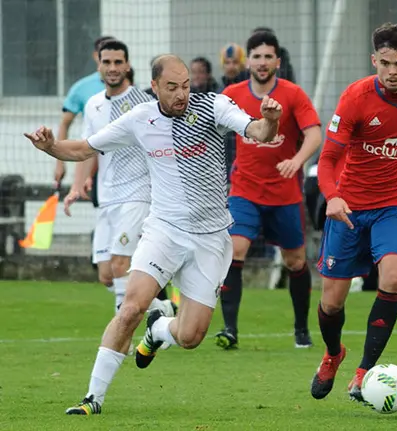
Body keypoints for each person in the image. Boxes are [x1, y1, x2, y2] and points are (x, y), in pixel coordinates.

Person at [23, 54, 283, 415]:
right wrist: (50, 146)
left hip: (210, 238)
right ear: (155, 86)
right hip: (164, 229)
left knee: (191, 337)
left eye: (186, 85)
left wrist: (269, 120)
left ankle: (159, 330)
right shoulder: (140, 118)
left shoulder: (212, 106)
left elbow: (257, 131)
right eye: (173, 87)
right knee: (130, 306)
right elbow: (83, 148)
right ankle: (92, 398)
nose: (182, 94)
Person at [310, 23, 397, 401]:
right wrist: (333, 197)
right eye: (385, 63)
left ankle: (364, 372)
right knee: (332, 302)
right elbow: (327, 159)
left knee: (392, 276)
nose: (392, 72)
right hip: (349, 208)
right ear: (374, 61)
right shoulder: (355, 99)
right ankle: (334, 354)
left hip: (396, 205)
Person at [215, 30, 322, 350]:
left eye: (268, 57)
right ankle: (229, 329)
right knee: (234, 251)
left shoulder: (293, 94)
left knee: (295, 261)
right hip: (244, 189)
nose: (262, 63)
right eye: (257, 56)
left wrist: (297, 160)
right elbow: (210, 127)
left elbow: (314, 134)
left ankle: (302, 329)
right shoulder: (232, 94)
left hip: (284, 194)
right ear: (248, 61)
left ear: (277, 61)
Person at [61, 40, 173, 319]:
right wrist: (77, 185)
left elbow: (164, 148)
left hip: (137, 194)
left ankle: (121, 334)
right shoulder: (93, 105)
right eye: (107, 62)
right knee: (107, 274)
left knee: (121, 263)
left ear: (127, 65)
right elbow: (88, 149)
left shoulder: (145, 104)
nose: (112, 68)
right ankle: (161, 307)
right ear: (98, 65)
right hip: (106, 197)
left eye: (118, 62)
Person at [53, 35, 115, 191]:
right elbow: (64, 124)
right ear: (96, 56)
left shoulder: (130, 88)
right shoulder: (81, 88)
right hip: (93, 162)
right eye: (104, 54)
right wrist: (60, 163)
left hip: (123, 161)